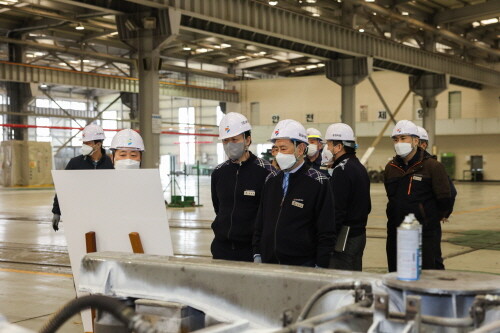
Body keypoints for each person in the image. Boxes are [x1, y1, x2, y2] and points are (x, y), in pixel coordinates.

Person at [253, 119, 335, 268]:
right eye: (276, 149)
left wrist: (321, 264)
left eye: (283, 149)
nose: (278, 155)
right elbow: (261, 221)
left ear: (300, 149)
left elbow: (326, 231)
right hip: (269, 262)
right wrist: (257, 252)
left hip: (302, 264)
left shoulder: (319, 182)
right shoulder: (271, 180)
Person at [384, 120, 452, 272]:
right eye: (396, 139)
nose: (399, 143)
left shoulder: (433, 167)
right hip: (396, 231)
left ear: (415, 140)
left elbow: (444, 197)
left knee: (426, 274)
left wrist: (431, 217)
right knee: (396, 273)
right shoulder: (390, 168)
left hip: (424, 232)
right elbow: (391, 197)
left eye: (403, 138)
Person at [211, 112, 275, 262]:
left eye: (235, 139)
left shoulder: (267, 171)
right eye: (225, 141)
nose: (230, 144)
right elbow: (219, 208)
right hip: (221, 249)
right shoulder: (219, 173)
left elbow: (270, 214)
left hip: (252, 251)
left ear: (248, 140)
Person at [324, 123, 371, 271]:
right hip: (358, 234)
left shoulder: (342, 170)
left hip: (345, 238)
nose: (327, 148)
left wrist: (328, 239)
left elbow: (337, 210)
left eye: (329, 144)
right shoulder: (358, 166)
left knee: (342, 281)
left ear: (339, 147)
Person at [51, 124, 114, 231]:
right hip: (80, 214)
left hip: (104, 215)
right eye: (83, 143)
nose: (84, 146)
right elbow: (63, 188)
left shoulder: (111, 164)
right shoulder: (75, 163)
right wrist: (57, 212)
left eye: (88, 143)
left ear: (98, 145)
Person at [417, 126, 457, 269]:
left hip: (429, 223)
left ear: (423, 144)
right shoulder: (404, 166)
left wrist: (442, 213)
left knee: (433, 260)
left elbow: (450, 192)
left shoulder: (432, 166)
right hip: (409, 224)